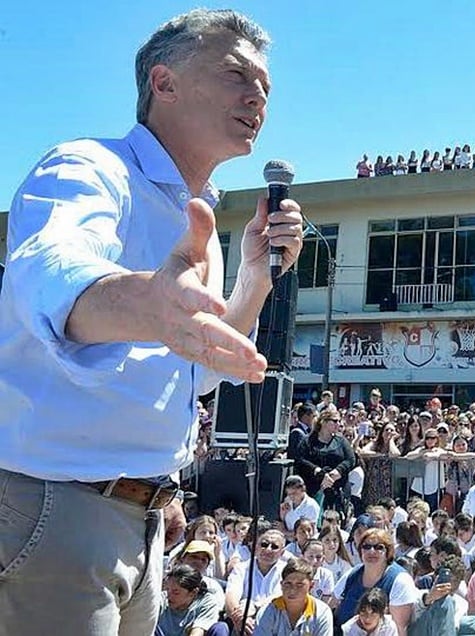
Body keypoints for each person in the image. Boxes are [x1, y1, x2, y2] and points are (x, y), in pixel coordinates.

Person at [0, 9, 303, 634]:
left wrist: (253, 280)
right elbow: (47, 266)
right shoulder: (88, 168)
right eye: (236, 75)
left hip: (146, 518)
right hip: (55, 508)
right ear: (163, 83)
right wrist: (144, 305)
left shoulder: (201, 225)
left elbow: (202, 373)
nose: (257, 97)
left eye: (266, 88)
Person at [253, 558, 335, 635]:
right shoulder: (267, 611)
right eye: (288, 584)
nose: (292, 590)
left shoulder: (322, 612)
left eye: (299, 585)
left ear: (311, 586)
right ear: (281, 585)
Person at [158, 564, 229, 636]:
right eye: (167, 589)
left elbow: (197, 632)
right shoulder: (161, 599)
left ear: (193, 592)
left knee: (220, 628)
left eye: (176, 592)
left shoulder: (206, 601)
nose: (168, 596)